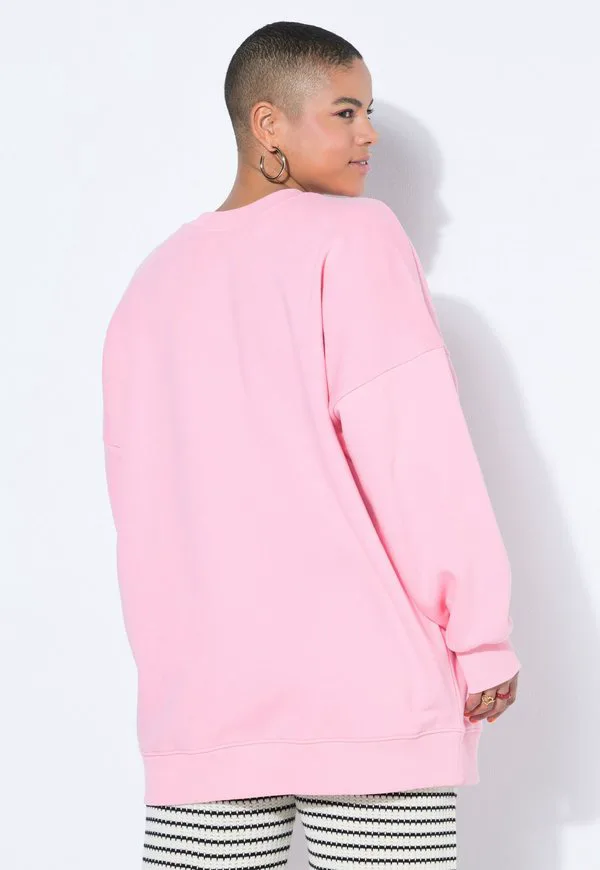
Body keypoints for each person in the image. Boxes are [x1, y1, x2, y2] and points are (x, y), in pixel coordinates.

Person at [101, 20, 521, 869]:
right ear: (268, 123)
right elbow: (415, 456)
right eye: (345, 111)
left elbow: (142, 508)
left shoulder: (150, 281)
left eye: (368, 112)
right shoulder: (355, 235)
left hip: (203, 706)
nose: (368, 134)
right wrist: (480, 636)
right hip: (368, 694)